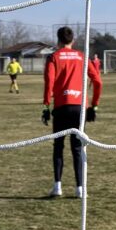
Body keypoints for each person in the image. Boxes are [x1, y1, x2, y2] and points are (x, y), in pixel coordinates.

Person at [42, 26, 102, 199]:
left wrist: (46, 106)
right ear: (73, 40)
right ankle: (80, 188)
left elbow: (49, 82)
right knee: (77, 148)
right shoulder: (82, 57)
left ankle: (57, 187)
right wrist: (94, 106)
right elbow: (97, 81)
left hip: (61, 107)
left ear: (58, 40)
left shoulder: (53, 57)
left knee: (58, 147)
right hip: (79, 107)